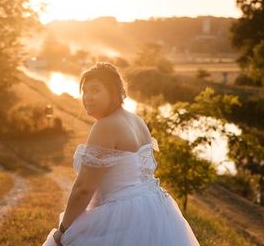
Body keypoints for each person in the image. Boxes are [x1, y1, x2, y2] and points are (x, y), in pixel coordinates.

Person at [41, 62, 201, 246]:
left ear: (115, 93)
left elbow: (83, 189)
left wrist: (63, 231)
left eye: (95, 90)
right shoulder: (137, 121)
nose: (87, 97)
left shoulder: (105, 126)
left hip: (123, 215)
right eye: (84, 91)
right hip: (155, 209)